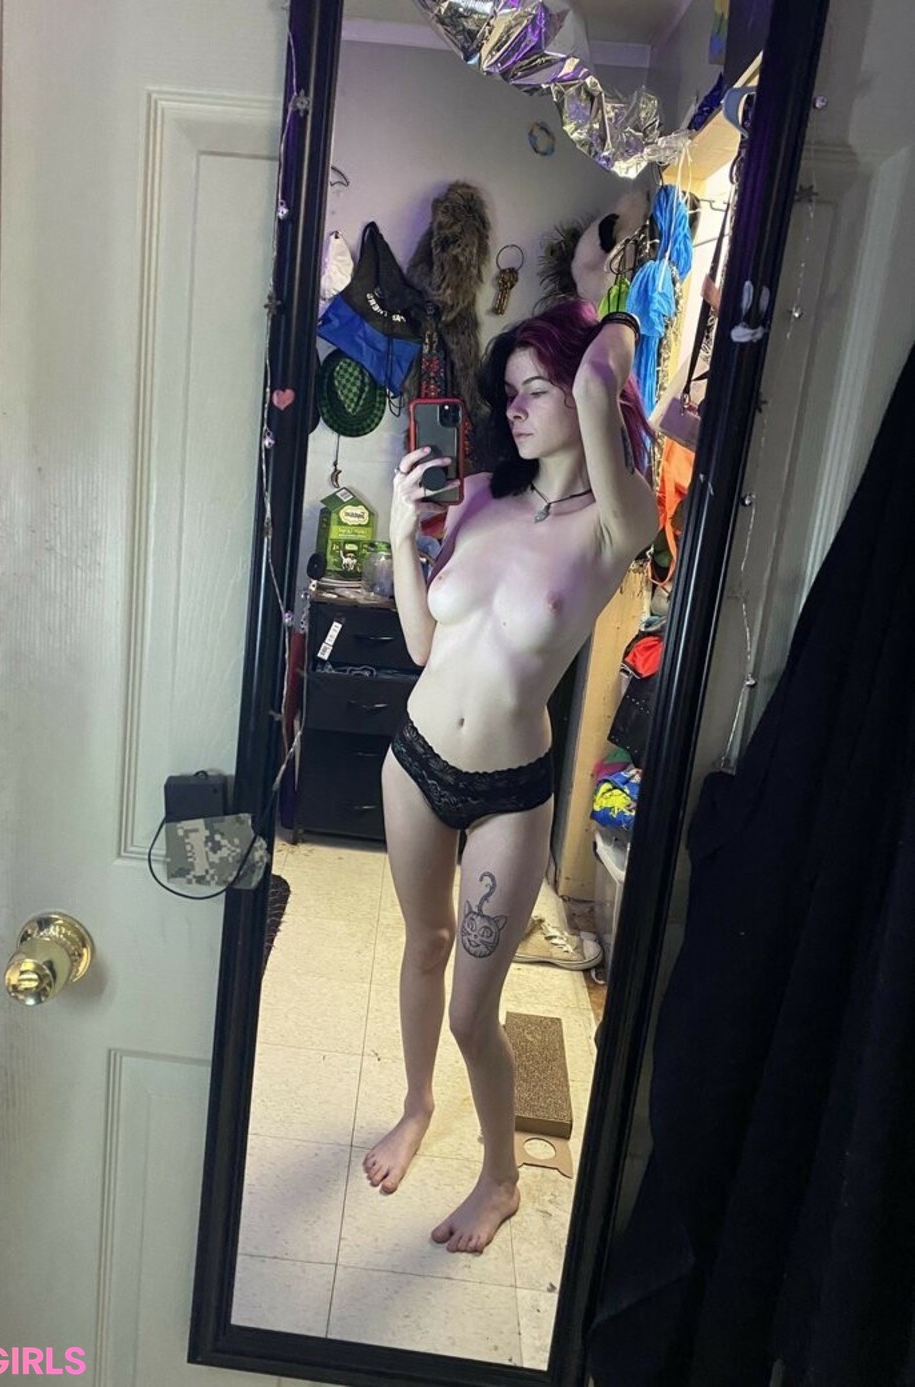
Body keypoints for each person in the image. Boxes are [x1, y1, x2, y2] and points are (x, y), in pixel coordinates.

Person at [362, 299, 657, 1254]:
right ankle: (415, 1107)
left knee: (472, 1012)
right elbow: (422, 644)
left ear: (580, 393)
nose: (516, 407)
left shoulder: (617, 524)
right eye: (511, 392)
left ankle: (501, 1178)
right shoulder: (483, 493)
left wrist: (611, 321)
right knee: (423, 945)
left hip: (507, 795)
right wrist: (401, 534)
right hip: (415, 759)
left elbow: (604, 371)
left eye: (537, 389)